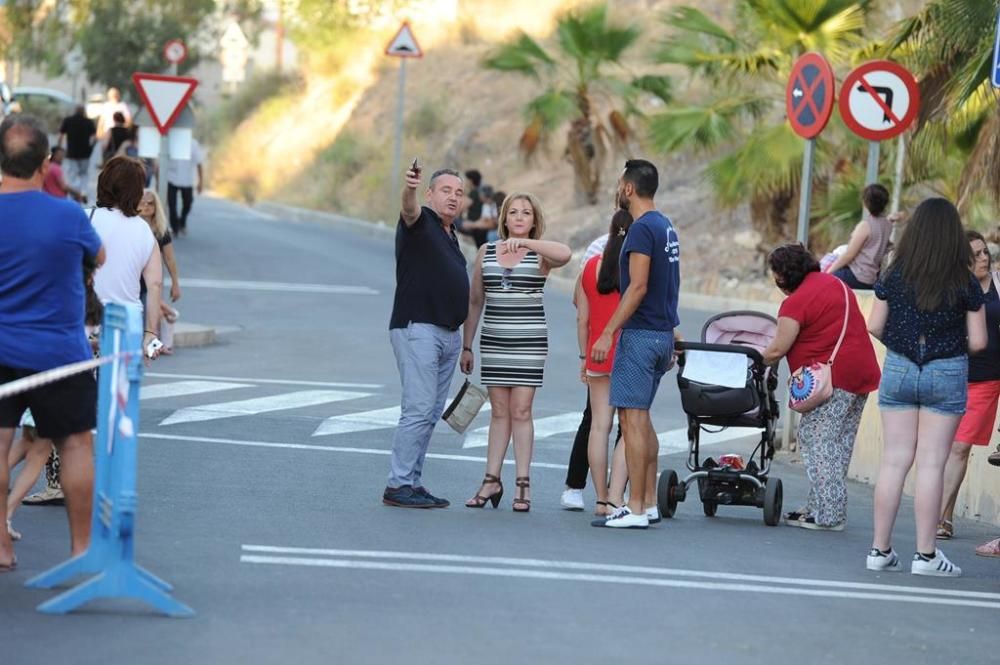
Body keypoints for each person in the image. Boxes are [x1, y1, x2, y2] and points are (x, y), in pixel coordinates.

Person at [0, 115, 106, 570]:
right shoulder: (66, 214)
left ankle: (1, 548)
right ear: (45, 164)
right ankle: (81, 550)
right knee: (76, 445)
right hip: (60, 353)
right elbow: (98, 256)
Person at [866, 197, 987, 578]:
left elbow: (874, 325)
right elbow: (980, 341)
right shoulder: (964, 282)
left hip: (900, 368)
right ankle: (925, 555)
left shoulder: (896, 273)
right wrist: (945, 347)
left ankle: (879, 550)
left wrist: (905, 346)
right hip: (946, 371)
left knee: (894, 460)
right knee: (933, 463)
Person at [461, 193, 571, 512]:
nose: (520, 217)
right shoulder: (487, 251)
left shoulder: (541, 254)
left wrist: (529, 244)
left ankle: (523, 483)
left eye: (526, 213)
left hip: (529, 342)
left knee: (521, 410)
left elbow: (565, 254)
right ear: (504, 219)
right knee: (498, 411)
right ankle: (491, 479)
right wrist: (467, 345)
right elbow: (475, 301)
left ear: (534, 220)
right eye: (513, 213)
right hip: (494, 341)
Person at [761, 244, 881, 530]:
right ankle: (817, 507)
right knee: (838, 443)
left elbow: (778, 347)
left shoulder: (796, 301)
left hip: (832, 379)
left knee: (818, 440)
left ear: (784, 275)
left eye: (776, 274)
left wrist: (752, 359)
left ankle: (830, 515)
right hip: (860, 374)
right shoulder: (836, 284)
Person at [592, 159, 681, 529]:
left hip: (641, 336)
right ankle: (647, 502)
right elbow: (669, 284)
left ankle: (637, 509)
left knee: (632, 420)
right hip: (660, 335)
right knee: (642, 421)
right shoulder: (666, 226)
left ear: (628, 188)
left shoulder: (642, 229)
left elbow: (640, 286)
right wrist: (673, 333)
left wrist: (608, 331)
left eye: (619, 184)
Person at [383, 164, 469, 509]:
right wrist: (410, 188)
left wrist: (464, 343)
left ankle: (412, 482)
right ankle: (398, 483)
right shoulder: (420, 223)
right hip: (418, 328)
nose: (453, 197)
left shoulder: (451, 234)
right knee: (418, 408)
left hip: (448, 334)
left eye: (459, 193)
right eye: (446, 190)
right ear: (431, 194)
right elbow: (408, 208)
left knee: (430, 412)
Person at [937, 231, 1000, 540]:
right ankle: (944, 517)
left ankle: (941, 518)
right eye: (976, 254)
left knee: (961, 447)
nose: (984, 258)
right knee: (951, 448)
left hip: (990, 378)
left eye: (985, 252)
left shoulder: (999, 284)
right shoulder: (955, 289)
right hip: (958, 375)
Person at [575, 209, 633, 516]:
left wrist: (584, 356)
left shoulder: (589, 268)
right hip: (627, 352)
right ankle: (615, 497)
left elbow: (582, 318)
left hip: (597, 354)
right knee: (628, 426)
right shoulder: (635, 271)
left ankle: (598, 499)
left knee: (599, 426)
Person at [90, 156, 164, 363]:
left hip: (86, 320)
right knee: (120, 391)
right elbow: (155, 285)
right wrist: (150, 333)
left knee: (79, 388)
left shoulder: (85, 218)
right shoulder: (144, 231)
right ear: (137, 190)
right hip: (126, 323)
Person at [824, 184, 893, 289]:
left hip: (857, 276)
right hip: (872, 278)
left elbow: (849, 255)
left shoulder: (865, 226)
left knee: (825, 281)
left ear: (865, 203)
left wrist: (828, 272)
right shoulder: (887, 224)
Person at [138, 188, 182, 352]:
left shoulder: (161, 230)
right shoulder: (131, 226)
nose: (146, 206)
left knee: (150, 315)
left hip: (151, 281)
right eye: (142, 202)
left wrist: (175, 283)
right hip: (132, 279)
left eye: (150, 203)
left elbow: (169, 258)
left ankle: (151, 346)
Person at [166, 138, 204, 236]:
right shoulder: (171, 141)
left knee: (188, 203)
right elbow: (162, 160)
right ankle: (175, 228)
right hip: (171, 178)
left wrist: (200, 182)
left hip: (187, 180)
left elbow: (199, 164)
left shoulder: (193, 144)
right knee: (172, 205)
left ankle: (182, 221)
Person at [58, 105, 96, 195]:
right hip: (85, 152)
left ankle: (73, 191)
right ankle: (83, 191)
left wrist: (59, 146)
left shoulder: (68, 120)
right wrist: (91, 147)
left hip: (72, 152)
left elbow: (61, 135)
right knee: (84, 173)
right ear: (84, 112)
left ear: (75, 111)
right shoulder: (89, 122)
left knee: (72, 173)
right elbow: (94, 137)